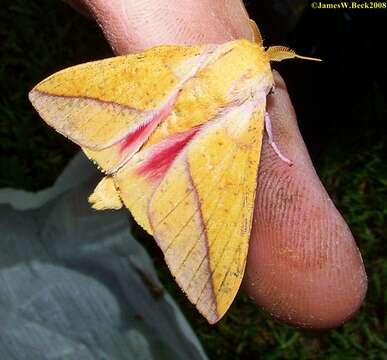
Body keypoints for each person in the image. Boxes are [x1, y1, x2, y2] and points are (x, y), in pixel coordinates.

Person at [67, 0, 367, 329]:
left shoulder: (210, 56)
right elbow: (269, 125)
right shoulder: (255, 110)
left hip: (176, 87)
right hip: (220, 135)